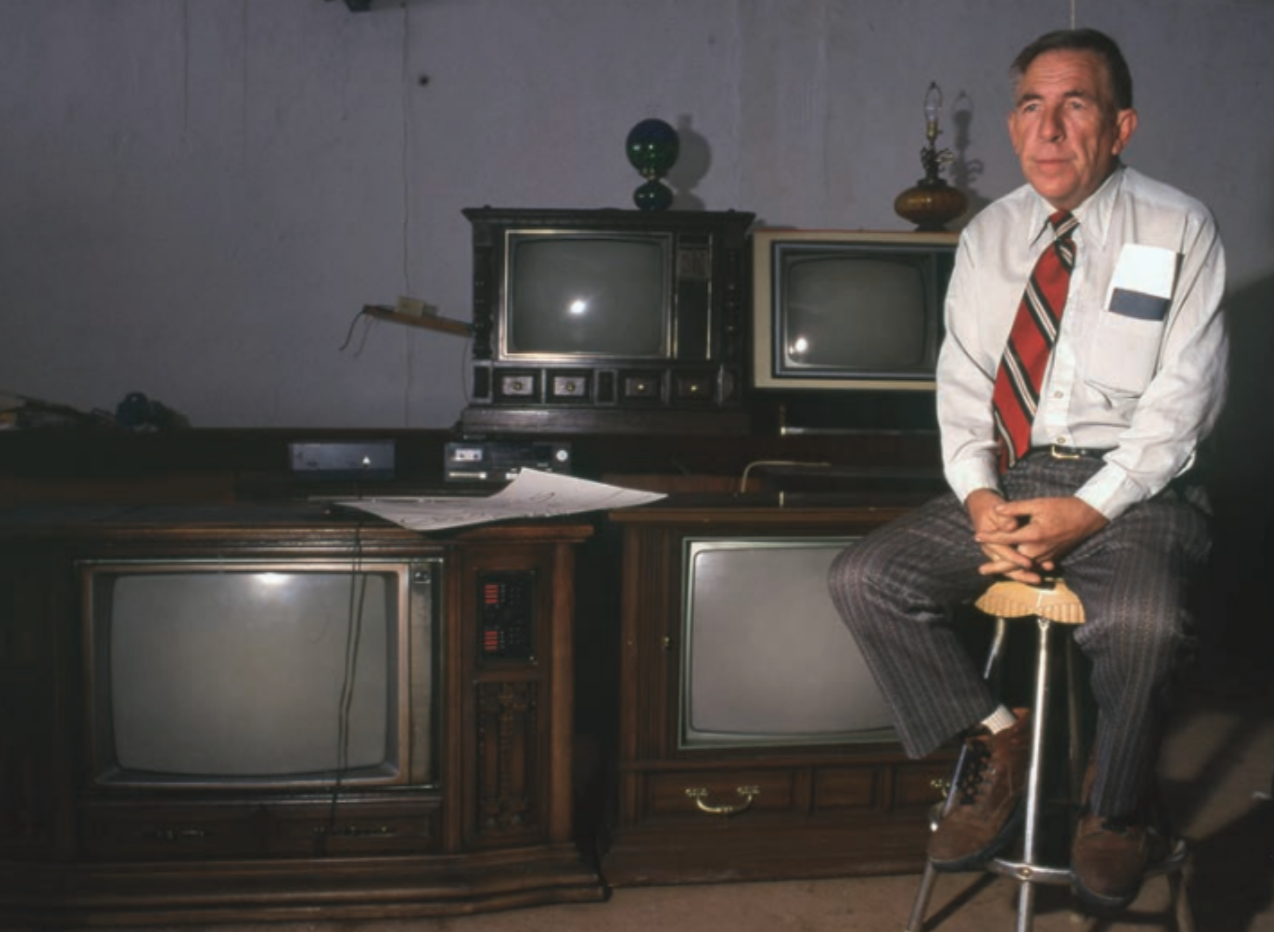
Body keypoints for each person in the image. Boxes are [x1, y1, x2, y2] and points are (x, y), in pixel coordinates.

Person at [828, 27, 1227, 912]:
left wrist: (1087, 513)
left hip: (1139, 490)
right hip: (1014, 481)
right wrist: (978, 501)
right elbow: (964, 387)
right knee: (866, 577)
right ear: (1014, 127)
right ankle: (999, 742)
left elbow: (1184, 405)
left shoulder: (1178, 224)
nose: (1048, 129)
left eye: (1074, 105)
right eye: (1031, 107)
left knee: (1146, 625)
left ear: (1120, 127)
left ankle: (1116, 811)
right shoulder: (989, 235)